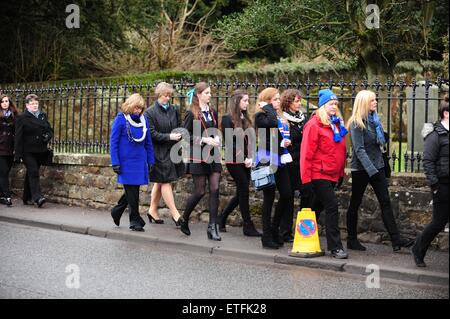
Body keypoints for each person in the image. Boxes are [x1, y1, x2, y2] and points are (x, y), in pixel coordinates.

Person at [346, 90, 414, 252]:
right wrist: (372, 170)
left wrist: (380, 167)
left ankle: (396, 241)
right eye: (372, 101)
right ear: (363, 103)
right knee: (355, 203)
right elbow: (359, 150)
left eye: (375, 100)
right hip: (362, 169)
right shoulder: (356, 123)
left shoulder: (375, 120)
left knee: (385, 202)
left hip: (378, 167)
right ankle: (351, 239)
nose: (375, 102)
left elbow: (380, 144)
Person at [300, 89, 348, 258]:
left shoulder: (336, 124)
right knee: (332, 206)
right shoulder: (314, 125)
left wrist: (341, 173)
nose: (334, 106)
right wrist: (306, 179)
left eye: (336, 104)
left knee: (314, 208)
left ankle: (303, 237)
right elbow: (306, 153)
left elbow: (340, 151)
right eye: (330, 104)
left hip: (332, 174)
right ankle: (335, 247)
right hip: (318, 174)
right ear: (323, 106)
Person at [179, 82, 222, 240]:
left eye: (210, 93)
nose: (210, 95)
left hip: (213, 154)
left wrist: (216, 137)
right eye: (207, 93)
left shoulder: (212, 112)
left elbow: (215, 129)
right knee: (200, 191)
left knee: (215, 189)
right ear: (198, 95)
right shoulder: (191, 113)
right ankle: (184, 218)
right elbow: (185, 136)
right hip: (198, 155)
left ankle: (212, 227)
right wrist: (204, 140)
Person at [218, 90, 261, 237]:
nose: (247, 103)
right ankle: (247, 226)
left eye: (248, 101)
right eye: (245, 101)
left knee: (241, 192)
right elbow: (230, 143)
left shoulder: (246, 118)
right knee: (244, 190)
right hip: (234, 160)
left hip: (247, 160)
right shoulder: (227, 119)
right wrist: (244, 158)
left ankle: (221, 218)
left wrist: (251, 157)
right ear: (236, 101)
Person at [254, 87, 294, 249]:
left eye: (279, 99)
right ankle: (267, 236)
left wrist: (284, 143)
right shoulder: (261, 116)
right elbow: (270, 124)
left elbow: (277, 136)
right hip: (266, 160)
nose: (279, 101)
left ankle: (274, 227)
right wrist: (267, 107)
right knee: (268, 198)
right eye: (275, 99)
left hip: (279, 160)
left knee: (287, 194)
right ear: (268, 101)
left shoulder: (278, 116)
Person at [412, 95, 449, 267]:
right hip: (442, 185)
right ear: (446, 113)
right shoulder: (435, 135)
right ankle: (418, 249)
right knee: (438, 223)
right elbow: (427, 161)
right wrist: (435, 186)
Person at [110, 93, 155, 232]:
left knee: (133, 190)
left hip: (139, 161)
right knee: (132, 191)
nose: (138, 111)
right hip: (125, 162)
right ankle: (134, 220)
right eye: (136, 108)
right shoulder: (120, 119)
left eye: (140, 109)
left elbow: (148, 142)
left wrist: (150, 160)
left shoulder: (144, 120)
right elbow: (113, 142)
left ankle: (117, 211)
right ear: (130, 105)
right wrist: (115, 162)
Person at [144, 82, 185, 226]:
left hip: (173, 150)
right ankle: (176, 215)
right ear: (159, 95)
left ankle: (152, 210)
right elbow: (152, 134)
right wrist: (169, 137)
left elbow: (179, 126)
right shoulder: (149, 112)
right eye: (165, 95)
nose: (168, 98)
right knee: (165, 181)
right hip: (158, 152)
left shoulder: (174, 109)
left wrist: (179, 134)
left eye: (169, 95)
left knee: (160, 182)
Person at [279, 89, 308, 243]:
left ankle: (303, 230)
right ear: (288, 102)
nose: (299, 103)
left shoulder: (302, 117)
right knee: (288, 197)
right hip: (289, 162)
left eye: (299, 101)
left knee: (306, 194)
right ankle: (284, 231)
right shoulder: (284, 119)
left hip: (302, 162)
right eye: (296, 101)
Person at [14, 94, 53, 208]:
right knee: (34, 172)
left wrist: (48, 136)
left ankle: (26, 197)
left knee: (31, 173)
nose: (35, 105)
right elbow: (18, 137)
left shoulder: (42, 115)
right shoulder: (22, 118)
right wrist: (17, 154)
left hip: (40, 150)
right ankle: (38, 197)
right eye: (32, 103)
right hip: (28, 151)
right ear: (27, 105)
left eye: (36, 103)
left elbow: (49, 129)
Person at [0, 94, 18, 206]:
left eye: (7, 101)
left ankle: (2, 195)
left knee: (5, 172)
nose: (5, 103)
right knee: (3, 173)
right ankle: (7, 196)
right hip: (0, 149)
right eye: (2, 101)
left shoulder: (15, 116)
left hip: (10, 149)